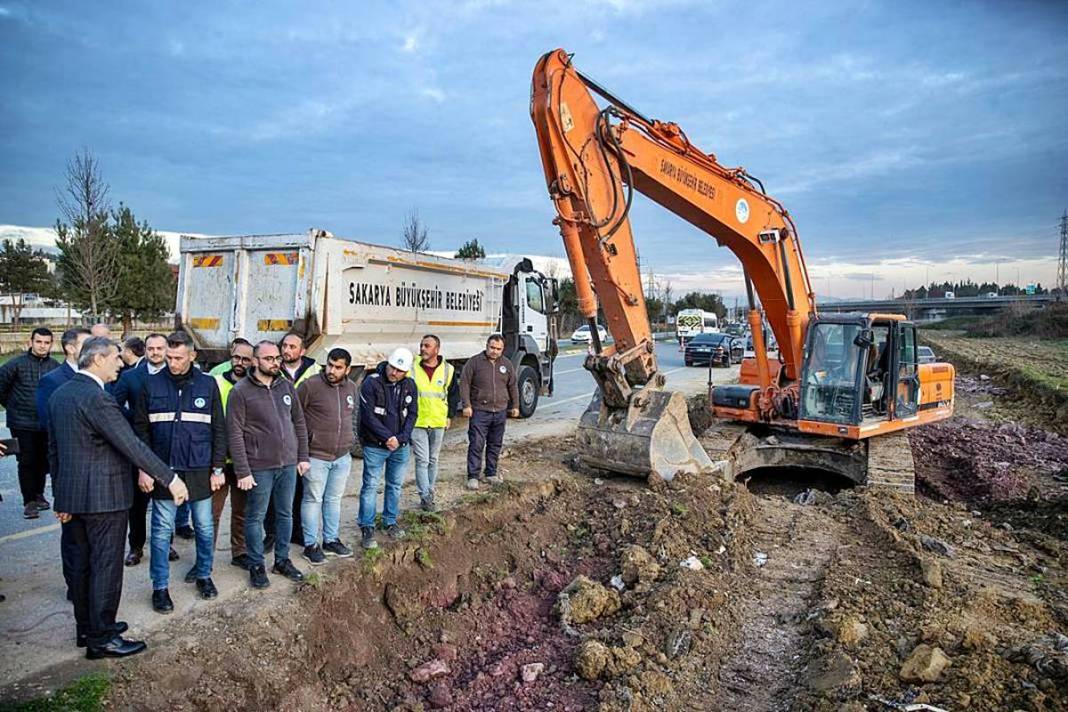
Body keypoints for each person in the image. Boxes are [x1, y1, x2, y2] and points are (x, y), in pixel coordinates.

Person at [48, 336, 188, 659]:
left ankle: (88, 629)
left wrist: (61, 499)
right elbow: (131, 444)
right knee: (106, 568)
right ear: (96, 360)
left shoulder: (60, 394)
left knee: (82, 567)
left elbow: (54, 453)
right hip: (105, 500)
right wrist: (171, 478)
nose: (120, 363)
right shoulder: (98, 399)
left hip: (74, 501)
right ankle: (103, 638)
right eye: (115, 358)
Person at [133, 331, 227, 612]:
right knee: (161, 532)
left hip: (199, 470)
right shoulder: (150, 385)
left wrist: (218, 468)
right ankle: (160, 587)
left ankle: (204, 575)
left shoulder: (208, 385)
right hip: (163, 471)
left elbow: (219, 429)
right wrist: (145, 469)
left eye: (178, 358)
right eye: (169, 357)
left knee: (205, 528)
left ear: (192, 356)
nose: (172, 363)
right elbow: (140, 432)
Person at [226, 340, 309, 588]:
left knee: (285, 514)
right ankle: (256, 565)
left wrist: (302, 456)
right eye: (269, 359)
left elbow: (299, 422)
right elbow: (235, 434)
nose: (275, 363)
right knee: (255, 517)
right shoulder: (240, 391)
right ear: (255, 361)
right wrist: (242, 470)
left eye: (277, 358)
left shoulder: (286, 386)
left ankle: (282, 560)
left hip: (288, 465)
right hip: (259, 467)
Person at [112, 334, 174, 567]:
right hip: (138, 447)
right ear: (145, 350)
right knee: (138, 504)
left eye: (160, 348)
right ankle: (136, 547)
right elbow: (113, 406)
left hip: (167, 448)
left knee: (166, 500)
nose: (156, 352)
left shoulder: (175, 374)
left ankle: (166, 543)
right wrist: (137, 418)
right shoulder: (130, 377)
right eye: (151, 348)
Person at [296, 348, 357, 564]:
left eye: (338, 367)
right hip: (316, 456)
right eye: (330, 365)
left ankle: (330, 540)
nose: (332, 370)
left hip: (341, 456)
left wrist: (351, 442)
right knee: (313, 499)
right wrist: (302, 454)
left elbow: (352, 416)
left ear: (347, 369)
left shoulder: (351, 387)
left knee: (333, 499)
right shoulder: (310, 386)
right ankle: (310, 545)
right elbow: (295, 418)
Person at [357, 347, 417, 550]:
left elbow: (412, 414)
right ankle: (367, 526)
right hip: (375, 445)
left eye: (399, 371)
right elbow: (368, 417)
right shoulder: (371, 383)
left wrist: (401, 438)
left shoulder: (409, 385)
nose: (394, 373)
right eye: (392, 368)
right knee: (370, 486)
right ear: (388, 364)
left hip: (400, 446)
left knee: (395, 485)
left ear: (406, 372)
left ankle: (390, 521)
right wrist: (387, 437)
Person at [0, 327, 59, 519]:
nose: (42, 346)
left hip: (46, 422)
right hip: (21, 422)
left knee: (43, 460)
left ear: (51, 344)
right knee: (26, 461)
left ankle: (39, 494)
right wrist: (12, 406)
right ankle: (29, 501)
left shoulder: (55, 366)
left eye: (46, 342)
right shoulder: (15, 364)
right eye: (38, 342)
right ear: (30, 342)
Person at [210, 339, 255, 569]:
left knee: (241, 512)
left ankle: (240, 553)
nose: (240, 363)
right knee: (211, 514)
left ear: (253, 361)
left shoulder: (255, 385)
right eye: (236, 357)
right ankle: (204, 559)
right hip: (218, 461)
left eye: (246, 359)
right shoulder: (215, 383)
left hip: (244, 463)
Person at [459, 334, 519, 490]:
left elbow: (512, 386)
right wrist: (466, 405)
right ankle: (473, 476)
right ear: (487, 345)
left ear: (502, 349)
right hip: (480, 411)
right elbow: (464, 383)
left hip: (500, 411)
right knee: (477, 443)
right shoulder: (474, 362)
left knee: (495, 444)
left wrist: (516, 406)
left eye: (498, 349)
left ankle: (491, 473)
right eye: (492, 347)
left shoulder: (507, 364)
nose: (495, 351)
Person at [411, 334, 458, 512]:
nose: (423, 349)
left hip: (438, 420)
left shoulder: (448, 370)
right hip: (417, 421)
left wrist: (449, 416)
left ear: (436, 349)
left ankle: (430, 491)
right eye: (422, 345)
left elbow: (454, 394)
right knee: (422, 460)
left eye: (427, 346)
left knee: (433, 459)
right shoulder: (412, 365)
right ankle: (425, 497)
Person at [36, 327, 91, 433]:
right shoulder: (51, 380)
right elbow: (46, 421)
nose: (93, 349)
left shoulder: (101, 376)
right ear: (70, 348)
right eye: (87, 345)